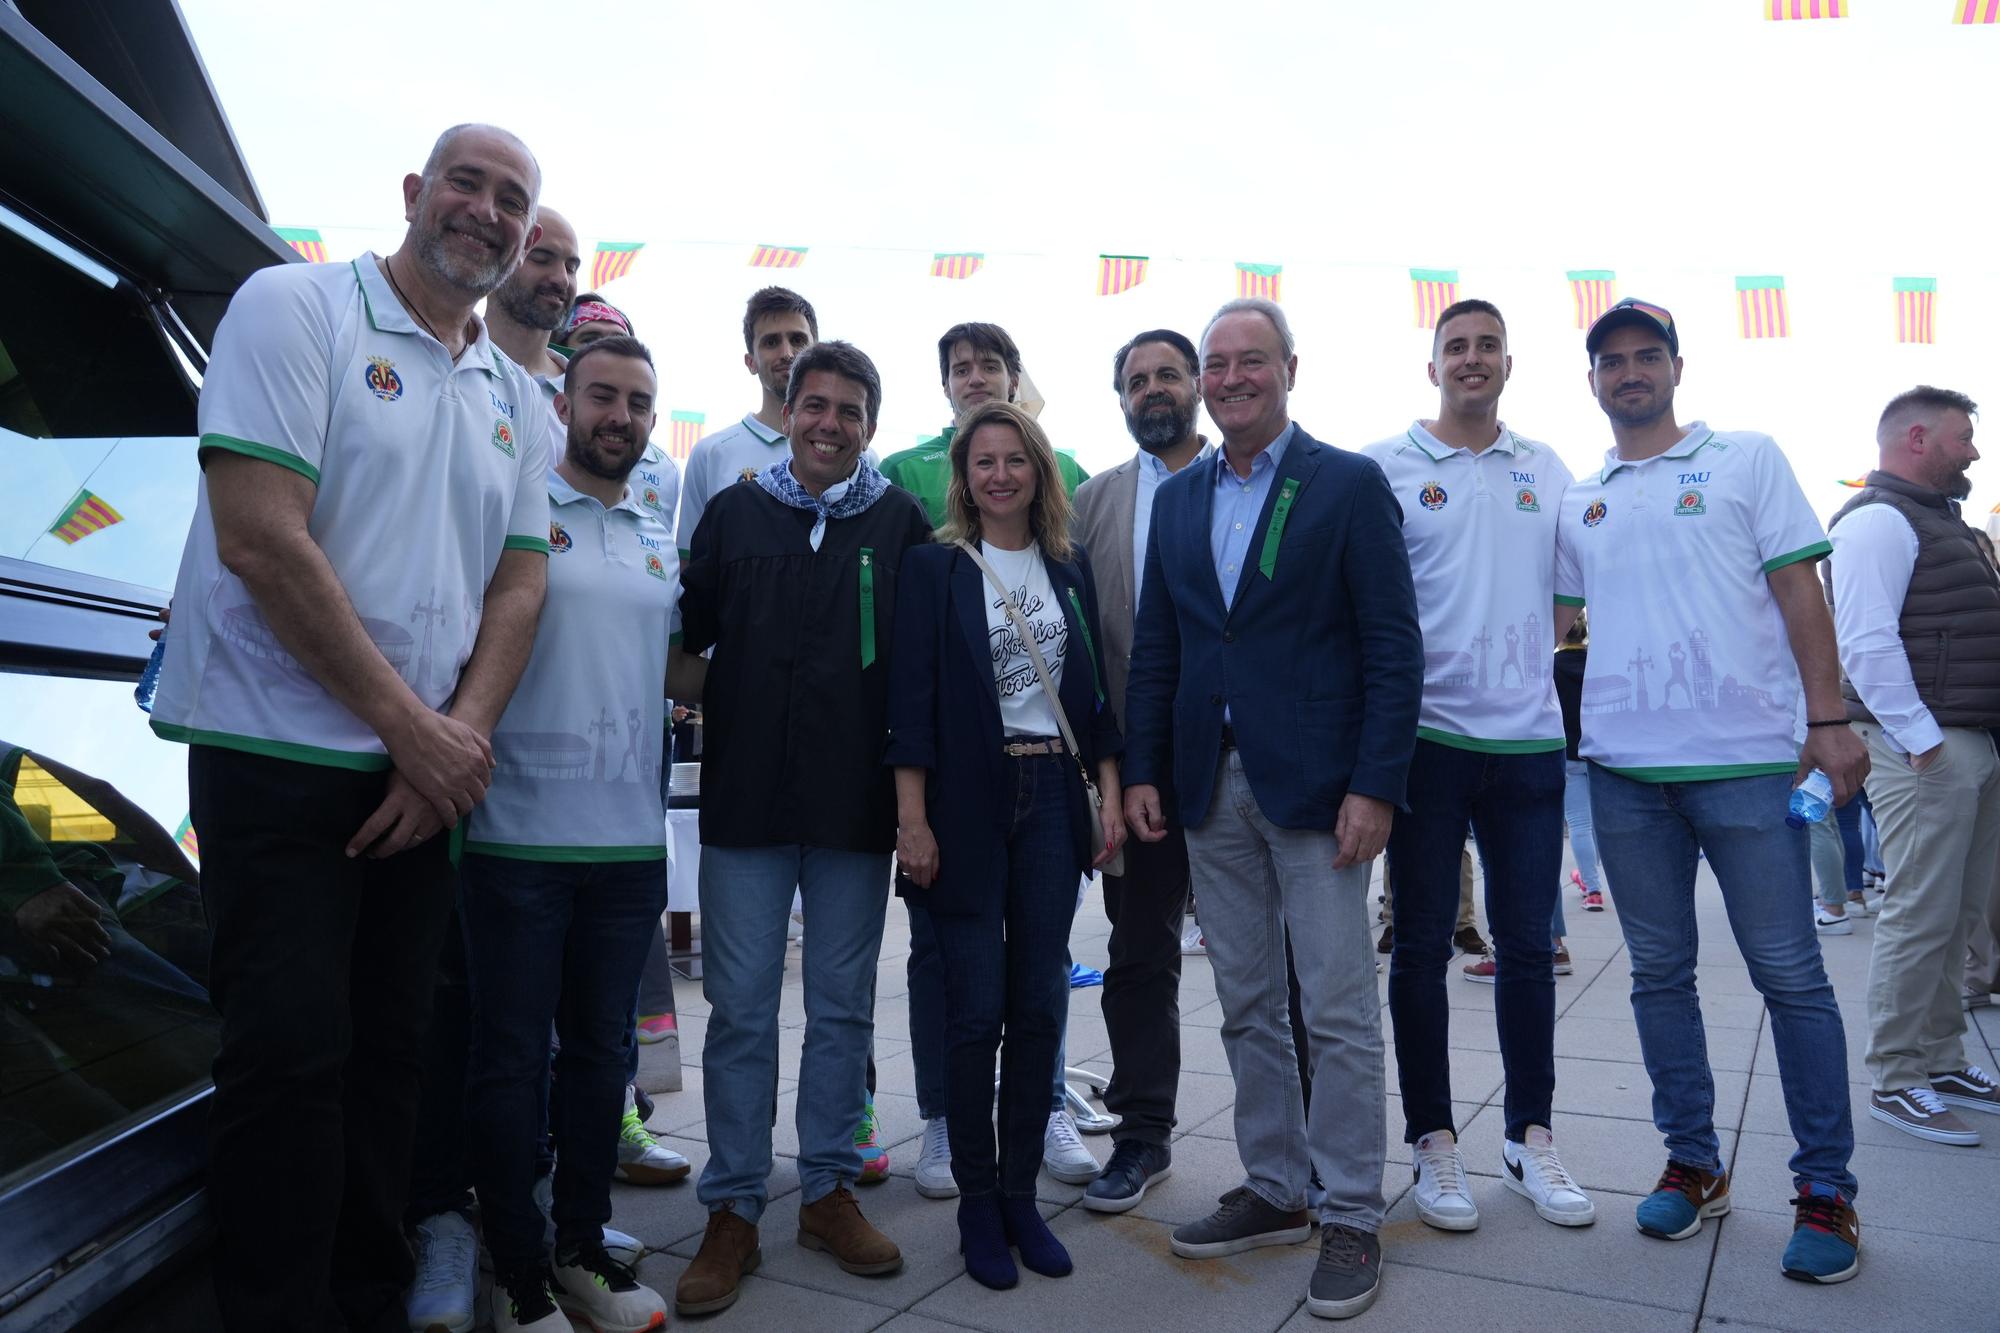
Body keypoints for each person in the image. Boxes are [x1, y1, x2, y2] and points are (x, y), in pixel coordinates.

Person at [149, 124, 552, 1328]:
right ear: (415, 193)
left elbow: (520, 584)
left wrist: (455, 742)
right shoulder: (296, 307)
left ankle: (368, 1296)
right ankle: (275, 1310)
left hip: (424, 778)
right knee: (286, 1057)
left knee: (391, 1054)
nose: (486, 211)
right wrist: (415, 730)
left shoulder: (515, 394)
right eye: (467, 184)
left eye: (511, 200)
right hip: (277, 759)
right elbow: (262, 536)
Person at [1555, 297, 1866, 1283]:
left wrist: (1827, 720)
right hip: (1621, 772)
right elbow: (1551, 618)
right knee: (1657, 976)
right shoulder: (1581, 495)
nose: (1630, 372)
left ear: (1677, 369)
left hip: (1743, 765)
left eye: (1647, 356)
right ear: (1593, 380)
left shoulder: (1743, 459)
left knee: (1789, 978)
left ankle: (1825, 1191)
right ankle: (1692, 1163)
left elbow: (1796, 591)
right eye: (1612, 361)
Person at [1123, 297, 1422, 1320]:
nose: (1230, 376)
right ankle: (1276, 1186)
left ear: (1289, 368)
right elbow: (1160, 647)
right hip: (1209, 788)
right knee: (1247, 1000)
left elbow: (1391, 645)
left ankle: (1349, 1209)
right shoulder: (1177, 498)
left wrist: (1375, 784)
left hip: (1320, 793)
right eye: (1215, 363)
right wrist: (1145, 770)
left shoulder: (1344, 483)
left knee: (1335, 1007)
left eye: (1251, 359)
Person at [672, 341, 930, 1316]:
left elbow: (914, 668)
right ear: (785, 409)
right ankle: (732, 1205)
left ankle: (823, 1190)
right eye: (812, 404)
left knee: (841, 1008)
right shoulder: (735, 513)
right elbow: (684, 643)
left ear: (871, 425)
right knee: (738, 1010)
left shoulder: (899, 523)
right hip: (744, 806)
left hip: (853, 810)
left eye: (849, 410)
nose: (828, 423)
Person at [454, 335, 699, 1332]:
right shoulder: (512, 507)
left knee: (603, 1060)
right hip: (511, 839)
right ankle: (515, 1264)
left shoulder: (655, 529)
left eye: (639, 402)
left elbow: (681, 669)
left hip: (626, 845)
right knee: (509, 1059)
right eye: (604, 396)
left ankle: (581, 1245)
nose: (622, 416)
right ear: (565, 401)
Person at [1363, 299, 1594, 1232]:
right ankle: (1434, 1142)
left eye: (1486, 345)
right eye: (1455, 346)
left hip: (1528, 746)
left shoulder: (1547, 468)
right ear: (1431, 367)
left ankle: (1529, 1137)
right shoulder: (1386, 466)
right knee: (1419, 948)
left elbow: (1570, 608)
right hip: (1425, 743)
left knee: (1528, 949)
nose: (1471, 358)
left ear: (1508, 363)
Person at [886, 401, 1125, 1289]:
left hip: (1052, 800)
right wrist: (912, 819)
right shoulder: (934, 568)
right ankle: (978, 1206)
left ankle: (1022, 1195)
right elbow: (910, 704)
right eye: (982, 461)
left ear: (1037, 471)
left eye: (1013, 460)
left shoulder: (1069, 567)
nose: (998, 474)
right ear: (964, 475)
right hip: (964, 804)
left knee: (1038, 1006)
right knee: (973, 1010)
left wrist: (1103, 793)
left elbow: (1092, 696)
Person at [1825, 385, 2000, 1145]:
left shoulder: (1936, 521)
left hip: (1963, 740)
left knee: (1957, 913)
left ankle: (1940, 1056)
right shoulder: (1879, 521)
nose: (1975, 451)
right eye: (1965, 437)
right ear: (1919, 439)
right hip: (1925, 745)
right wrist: (1923, 739)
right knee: (1922, 912)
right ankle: (1897, 1076)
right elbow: (1864, 641)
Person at [1068, 329, 1208, 1212]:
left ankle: (1301, 1140)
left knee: (1274, 963)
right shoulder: (1092, 502)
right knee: (1139, 955)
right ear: (1119, 397)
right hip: (1140, 770)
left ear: (1196, 384)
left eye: (1166, 374)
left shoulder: (1247, 481)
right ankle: (1143, 1133)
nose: (1151, 389)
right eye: (1135, 379)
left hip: (1243, 764)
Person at [877, 322, 1089, 528]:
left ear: (1014, 381)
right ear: (946, 387)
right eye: (961, 371)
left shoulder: (1066, 469)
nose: (976, 379)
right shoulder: (901, 470)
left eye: (990, 367)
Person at [677, 287, 827, 559]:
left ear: (817, 350)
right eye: (771, 342)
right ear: (750, 361)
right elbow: (690, 564)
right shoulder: (711, 454)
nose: (787, 353)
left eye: (797, 339)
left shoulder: (856, 453)